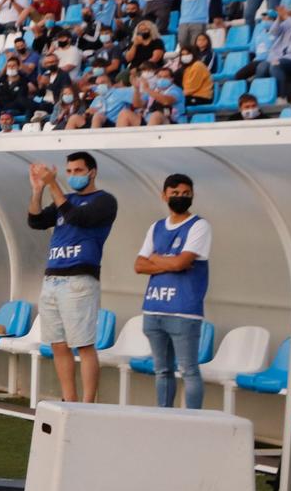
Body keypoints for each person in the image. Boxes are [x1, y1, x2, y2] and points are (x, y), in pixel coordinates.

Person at [26, 151, 117, 404]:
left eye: (78, 170)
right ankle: (69, 401)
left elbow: (79, 218)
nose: (72, 176)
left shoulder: (104, 201)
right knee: (58, 344)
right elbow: (35, 221)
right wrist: (38, 190)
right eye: (69, 171)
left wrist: (54, 184)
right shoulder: (62, 199)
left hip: (79, 280)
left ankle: (87, 405)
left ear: (92, 172)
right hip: (52, 278)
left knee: (84, 345)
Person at [135, 174, 212, 409]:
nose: (180, 197)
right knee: (162, 370)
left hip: (184, 311)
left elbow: (182, 263)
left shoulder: (199, 225)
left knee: (188, 370)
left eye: (185, 193)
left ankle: (193, 422)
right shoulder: (156, 227)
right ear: (164, 195)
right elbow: (139, 265)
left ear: (192, 195)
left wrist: (157, 260)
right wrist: (169, 261)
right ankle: (164, 417)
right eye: (175, 193)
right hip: (153, 309)